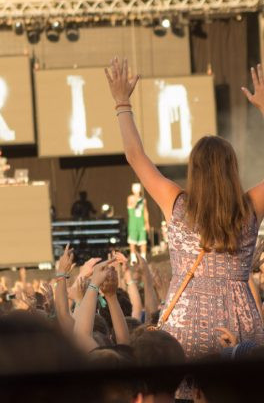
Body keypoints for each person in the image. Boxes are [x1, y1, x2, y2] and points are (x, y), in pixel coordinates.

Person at [104, 58, 264, 362]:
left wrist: (122, 103)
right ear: (232, 169)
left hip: (185, 324)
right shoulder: (250, 208)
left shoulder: (176, 204)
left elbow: (136, 156)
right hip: (241, 322)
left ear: (194, 170)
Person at [127, 183, 150, 265]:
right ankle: (133, 259)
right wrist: (137, 198)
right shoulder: (130, 198)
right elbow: (132, 206)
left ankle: (143, 258)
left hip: (141, 222)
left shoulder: (143, 200)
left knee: (143, 241)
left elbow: (145, 212)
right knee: (132, 241)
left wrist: (147, 223)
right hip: (133, 223)